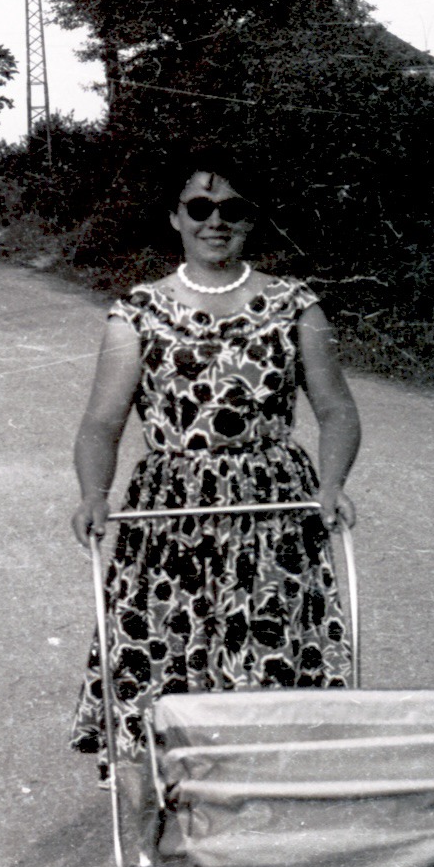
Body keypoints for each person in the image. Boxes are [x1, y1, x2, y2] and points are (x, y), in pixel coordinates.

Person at [70, 149, 363, 774]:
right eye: (199, 208)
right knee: (162, 658)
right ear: (175, 217)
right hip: (168, 518)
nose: (215, 221)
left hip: (271, 513)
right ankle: (162, 817)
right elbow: (101, 423)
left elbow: (337, 411)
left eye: (232, 209)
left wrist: (332, 484)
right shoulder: (138, 313)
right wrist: (95, 494)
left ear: (252, 219)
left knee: (269, 661)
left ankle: (260, 819)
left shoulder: (295, 306)